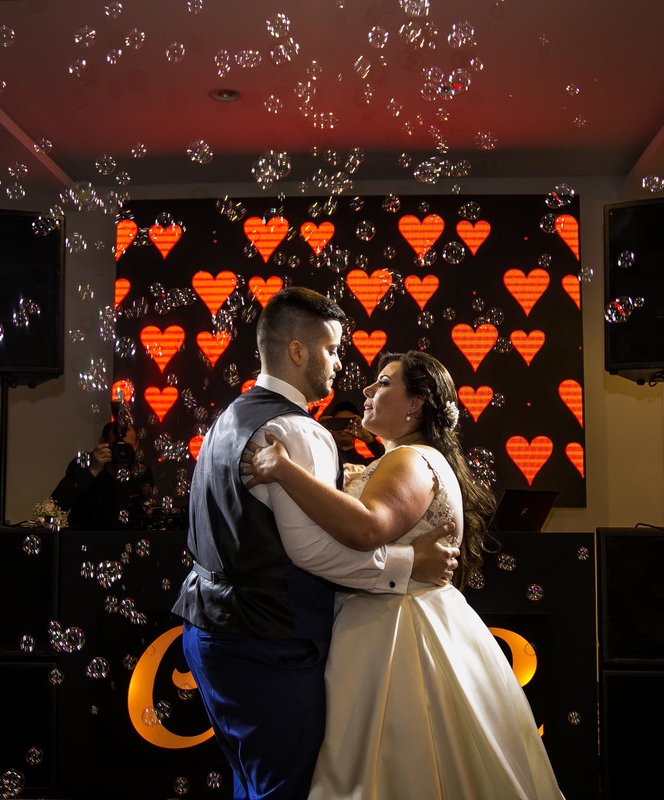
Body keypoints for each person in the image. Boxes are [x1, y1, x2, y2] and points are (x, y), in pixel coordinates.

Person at [171, 288, 460, 800]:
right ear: (298, 351)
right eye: (332, 349)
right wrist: (408, 562)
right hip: (267, 641)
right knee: (283, 786)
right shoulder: (300, 431)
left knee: (252, 781)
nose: (341, 364)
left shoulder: (230, 416)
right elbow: (312, 551)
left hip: (207, 626)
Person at [241, 350, 566, 800]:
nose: (367, 389)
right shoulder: (408, 458)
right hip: (404, 619)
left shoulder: (410, 459)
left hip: (395, 636)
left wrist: (282, 468)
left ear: (415, 404)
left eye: (384, 383)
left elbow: (365, 528)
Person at [49, 418, 153, 529]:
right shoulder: (85, 462)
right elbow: (56, 506)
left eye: (128, 447)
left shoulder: (140, 470)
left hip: (126, 537)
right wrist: (93, 470)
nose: (122, 452)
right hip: (87, 536)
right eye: (117, 446)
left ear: (136, 446)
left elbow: (144, 513)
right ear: (102, 442)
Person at [318, 398, 384, 473]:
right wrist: (316, 431)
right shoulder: (322, 458)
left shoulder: (365, 463)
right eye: (339, 423)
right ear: (331, 425)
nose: (344, 429)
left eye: (348, 423)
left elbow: (388, 460)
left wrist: (369, 439)